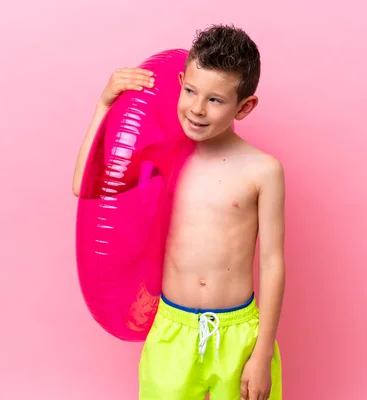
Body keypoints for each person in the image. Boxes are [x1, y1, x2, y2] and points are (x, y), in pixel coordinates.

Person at [72, 24, 285, 400]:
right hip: (172, 329)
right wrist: (103, 106)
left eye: (216, 100)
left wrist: (262, 351)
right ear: (181, 81)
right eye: (190, 91)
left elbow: (271, 263)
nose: (197, 109)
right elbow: (85, 186)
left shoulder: (262, 170)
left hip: (239, 333)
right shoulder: (163, 159)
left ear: (245, 106)